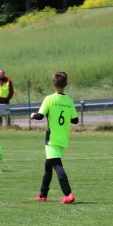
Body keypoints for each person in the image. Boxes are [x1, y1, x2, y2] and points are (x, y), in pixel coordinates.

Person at [30, 71, 78, 204]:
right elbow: (75, 120)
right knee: (48, 166)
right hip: (63, 138)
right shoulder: (69, 101)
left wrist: (33, 115)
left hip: (52, 139)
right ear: (66, 84)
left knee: (57, 165)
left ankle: (68, 193)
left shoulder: (49, 99)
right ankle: (43, 194)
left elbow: (40, 116)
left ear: (53, 84)